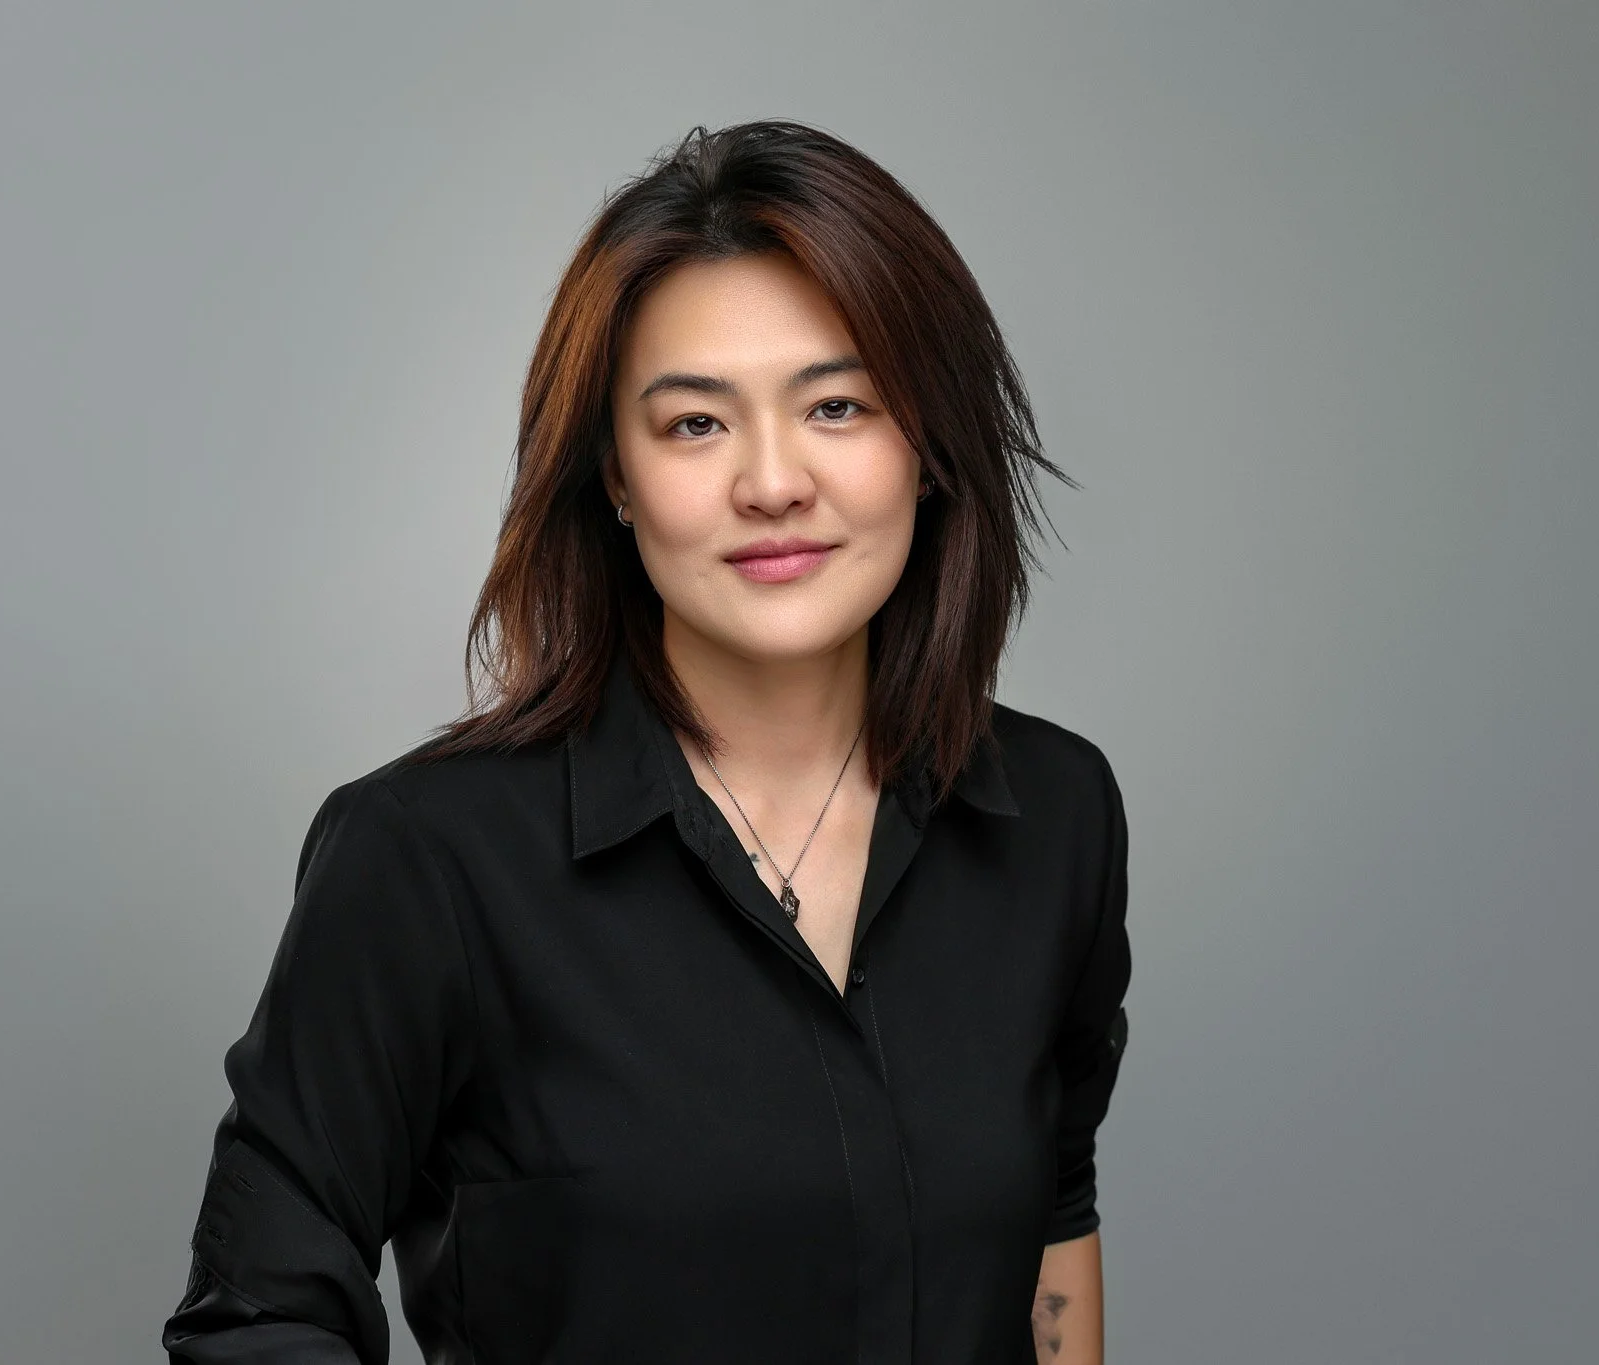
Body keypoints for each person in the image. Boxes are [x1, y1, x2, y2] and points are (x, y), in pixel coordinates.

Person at [161, 119, 1132, 1365]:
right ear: (613, 477)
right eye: (694, 425)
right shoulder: (424, 861)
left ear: (928, 447)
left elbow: (1051, 1223)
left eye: (837, 405)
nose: (772, 483)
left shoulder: (1054, 816)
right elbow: (254, 1315)